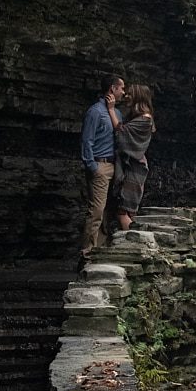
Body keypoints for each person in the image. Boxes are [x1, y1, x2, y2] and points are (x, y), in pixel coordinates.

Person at [81, 75, 124, 257]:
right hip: (100, 164)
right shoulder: (95, 112)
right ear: (112, 89)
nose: (124, 92)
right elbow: (87, 140)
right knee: (96, 210)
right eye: (121, 88)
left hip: (114, 165)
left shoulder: (117, 113)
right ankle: (87, 252)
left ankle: (101, 248)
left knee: (107, 210)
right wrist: (92, 166)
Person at [111, 84, 157, 237]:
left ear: (138, 96)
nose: (126, 97)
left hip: (135, 168)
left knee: (123, 210)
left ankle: (136, 243)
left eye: (130, 94)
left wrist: (111, 110)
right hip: (133, 168)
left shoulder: (145, 119)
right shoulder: (138, 118)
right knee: (128, 211)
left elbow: (122, 133)